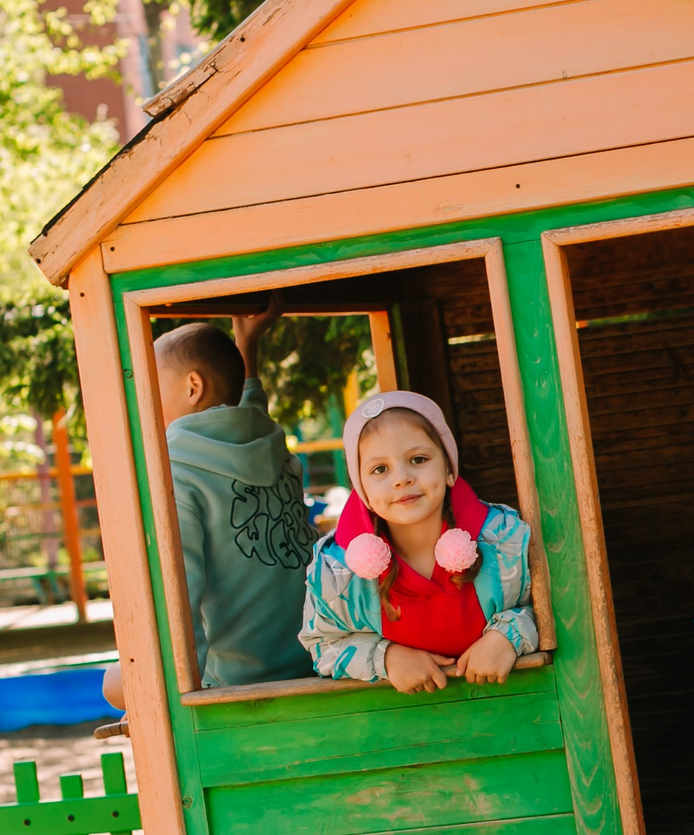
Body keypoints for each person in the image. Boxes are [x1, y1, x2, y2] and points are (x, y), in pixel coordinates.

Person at [102, 294, 317, 710]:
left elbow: (180, 596)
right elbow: (246, 409)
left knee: (113, 684)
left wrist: (180, 696)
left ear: (192, 387)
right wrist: (247, 348)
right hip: (313, 656)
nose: (142, 402)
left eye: (149, 388)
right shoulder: (270, 442)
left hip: (237, 679)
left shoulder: (175, 472)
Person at [300, 390, 537, 691]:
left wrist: (509, 636)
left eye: (418, 459)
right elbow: (322, 645)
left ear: (448, 468)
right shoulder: (337, 574)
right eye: (380, 469)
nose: (402, 478)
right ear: (361, 488)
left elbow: (558, 606)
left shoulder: (507, 542)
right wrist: (386, 658)